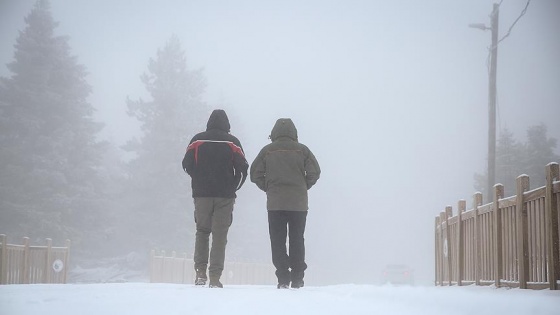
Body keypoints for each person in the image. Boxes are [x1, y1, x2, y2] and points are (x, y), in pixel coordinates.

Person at [250, 118, 321, 289]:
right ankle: (297, 277)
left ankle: (283, 277)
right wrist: (304, 186)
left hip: (275, 204)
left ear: (274, 133)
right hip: (298, 204)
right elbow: (315, 172)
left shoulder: (267, 151)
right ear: (294, 133)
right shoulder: (302, 150)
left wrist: (268, 187)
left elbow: (254, 174)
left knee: (278, 240)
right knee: (297, 239)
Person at [182, 109, 248, 288]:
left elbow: (186, 164)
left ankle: (200, 273)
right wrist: (234, 185)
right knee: (220, 235)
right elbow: (243, 169)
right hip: (225, 195)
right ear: (227, 124)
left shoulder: (197, 140)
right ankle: (215, 277)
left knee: (202, 232)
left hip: (202, 194)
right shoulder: (232, 142)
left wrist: (197, 178)